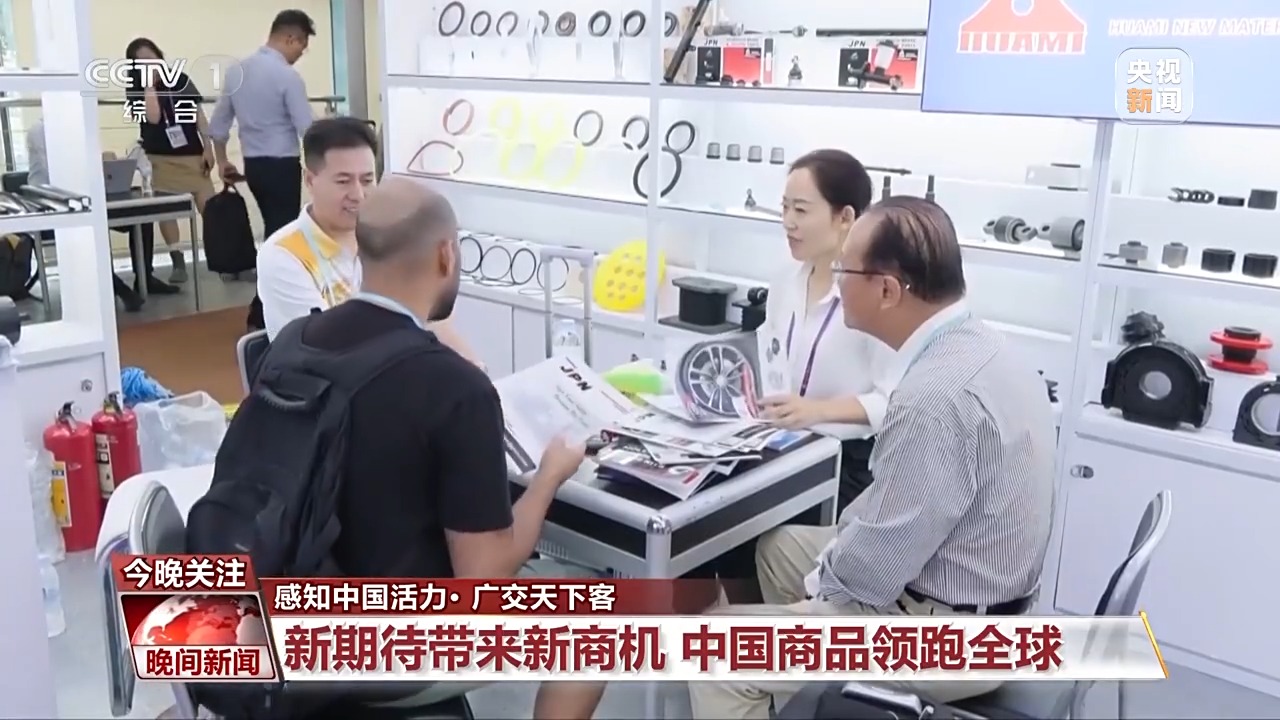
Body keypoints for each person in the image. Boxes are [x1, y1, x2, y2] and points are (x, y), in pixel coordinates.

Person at [688, 196, 1057, 719]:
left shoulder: (932, 401)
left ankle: (805, 681)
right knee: (779, 548)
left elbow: (871, 573)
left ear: (887, 290)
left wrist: (821, 593)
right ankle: (816, 700)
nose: (835, 281)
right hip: (983, 598)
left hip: (950, 636)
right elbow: (892, 513)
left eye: (844, 269)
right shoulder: (983, 346)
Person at [272, 176, 604, 718]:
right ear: (447, 255)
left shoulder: (293, 343)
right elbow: (483, 577)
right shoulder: (454, 387)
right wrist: (549, 476)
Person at [686, 149, 896, 603]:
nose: (788, 222)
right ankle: (722, 628)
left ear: (845, 217)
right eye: (784, 208)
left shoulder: (874, 295)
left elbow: (892, 403)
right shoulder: (786, 280)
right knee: (704, 523)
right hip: (777, 446)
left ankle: (759, 632)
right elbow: (768, 356)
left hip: (843, 464)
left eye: (801, 210)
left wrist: (815, 411)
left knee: (753, 537)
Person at [255, 116, 481, 364]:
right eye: (343, 181)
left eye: (367, 180)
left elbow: (432, 320)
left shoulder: (388, 237)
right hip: (328, 381)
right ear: (310, 180)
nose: (358, 195)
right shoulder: (284, 255)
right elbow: (324, 351)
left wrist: (476, 371)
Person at [209, 8, 318, 332]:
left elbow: (218, 124)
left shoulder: (237, 71)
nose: (300, 54)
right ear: (291, 38)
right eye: (302, 46)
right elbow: (307, 128)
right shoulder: (287, 77)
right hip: (282, 166)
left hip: (254, 167)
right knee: (282, 238)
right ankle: (262, 313)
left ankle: (268, 309)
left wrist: (222, 160)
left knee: (275, 234)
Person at [25, 119, 157, 311]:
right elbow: (53, 171)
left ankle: (145, 278)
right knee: (89, 229)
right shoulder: (38, 131)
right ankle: (118, 288)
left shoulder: (79, 127)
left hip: (83, 198)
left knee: (141, 218)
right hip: (48, 203)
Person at [124, 36, 217, 285]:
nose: (148, 63)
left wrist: (208, 147)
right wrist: (149, 85)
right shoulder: (135, 88)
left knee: (211, 209)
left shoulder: (180, 80)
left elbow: (199, 116)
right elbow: (153, 117)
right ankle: (177, 260)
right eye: (141, 61)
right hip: (161, 158)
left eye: (151, 57)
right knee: (168, 211)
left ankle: (223, 257)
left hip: (192, 154)